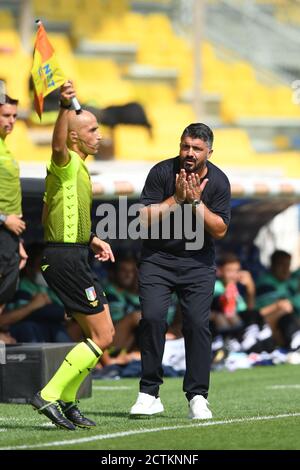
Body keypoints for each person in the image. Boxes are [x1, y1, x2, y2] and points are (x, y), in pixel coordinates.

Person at [130, 123, 231, 419]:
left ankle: (198, 397)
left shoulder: (219, 182)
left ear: (209, 152)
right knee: (152, 318)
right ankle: (149, 393)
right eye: (185, 146)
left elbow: (220, 229)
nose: (189, 153)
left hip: (197, 263)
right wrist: (175, 198)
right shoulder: (162, 172)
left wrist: (195, 201)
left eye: (196, 149)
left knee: (197, 326)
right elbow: (141, 221)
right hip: (157, 259)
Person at [30, 81, 115, 431]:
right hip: (65, 258)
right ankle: (49, 395)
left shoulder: (77, 171)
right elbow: (56, 144)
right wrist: (65, 106)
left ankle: (68, 402)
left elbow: (50, 214)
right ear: (75, 138)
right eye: (93, 130)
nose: (100, 135)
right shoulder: (65, 163)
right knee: (102, 336)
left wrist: (92, 238)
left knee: (103, 332)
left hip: (74, 254)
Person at [0, 94, 27, 305]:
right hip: (4, 227)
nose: (12, 120)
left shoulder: (6, 147)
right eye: (6, 115)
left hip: (9, 234)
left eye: (15, 116)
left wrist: (16, 241)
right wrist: (3, 219)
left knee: (5, 290)